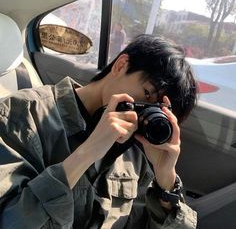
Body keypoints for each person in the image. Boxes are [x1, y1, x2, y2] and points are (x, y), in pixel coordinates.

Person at [0, 34, 197, 228]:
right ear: (121, 66)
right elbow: (10, 221)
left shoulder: (136, 152)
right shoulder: (22, 115)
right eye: (146, 94)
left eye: (158, 110)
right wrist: (86, 154)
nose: (145, 113)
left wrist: (166, 183)